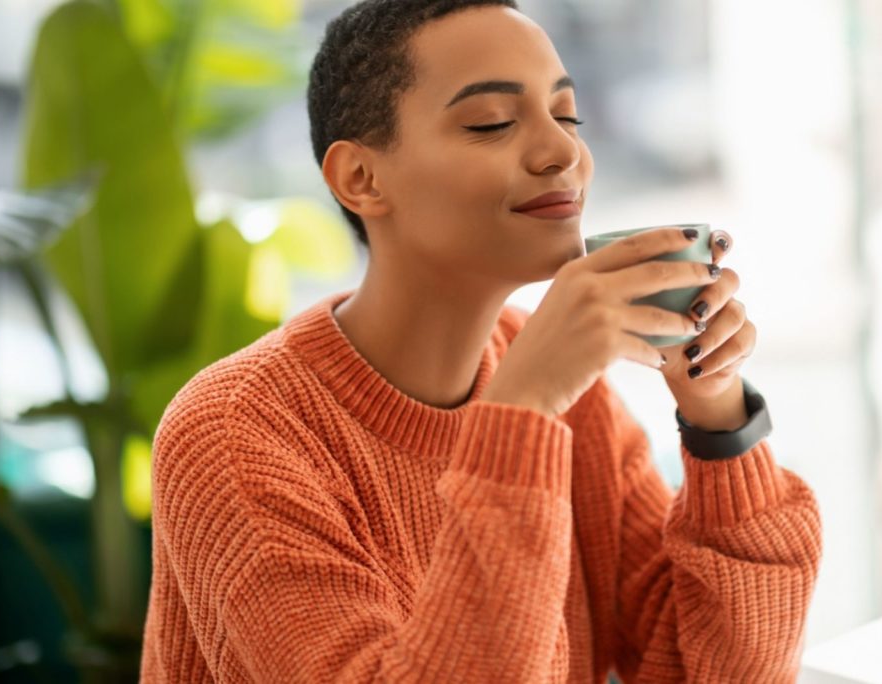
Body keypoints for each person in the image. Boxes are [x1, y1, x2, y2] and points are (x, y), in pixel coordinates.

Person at [139, 1, 823, 682]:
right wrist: (521, 413)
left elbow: (713, 671)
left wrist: (718, 420)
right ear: (361, 179)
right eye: (491, 122)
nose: (564, 152)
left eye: (567, 115)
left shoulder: (567, 393)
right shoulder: (234, 434)